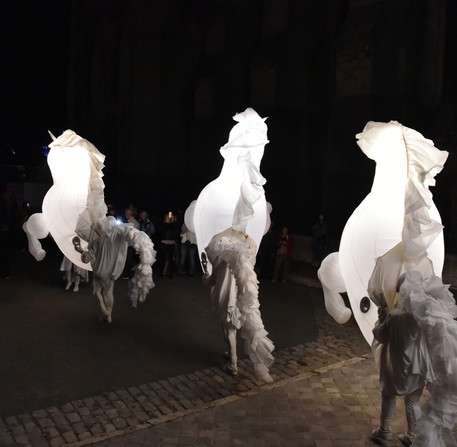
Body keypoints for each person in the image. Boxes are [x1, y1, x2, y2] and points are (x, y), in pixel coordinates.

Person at [370, 275, 432, 446]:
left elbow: (380, 335)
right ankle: (412, 436)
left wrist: (382, 315)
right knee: (413, 401)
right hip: (417, 368)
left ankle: (384, 431)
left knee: (388, 395)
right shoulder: (422, 317)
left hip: (396, 367)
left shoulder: (395, 317)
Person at [159, 212, 179, 277]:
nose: (169, 217)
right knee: (163, 258)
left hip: (171, 243)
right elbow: (161, 231)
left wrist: (173, 220)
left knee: (171, 259)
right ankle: (161, 272)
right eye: (167, 216)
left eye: (169, 216)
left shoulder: (173, 224)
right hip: (164, 243)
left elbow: (176, 230)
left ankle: (171, 273)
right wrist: (166, 222)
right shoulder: (163, 224)